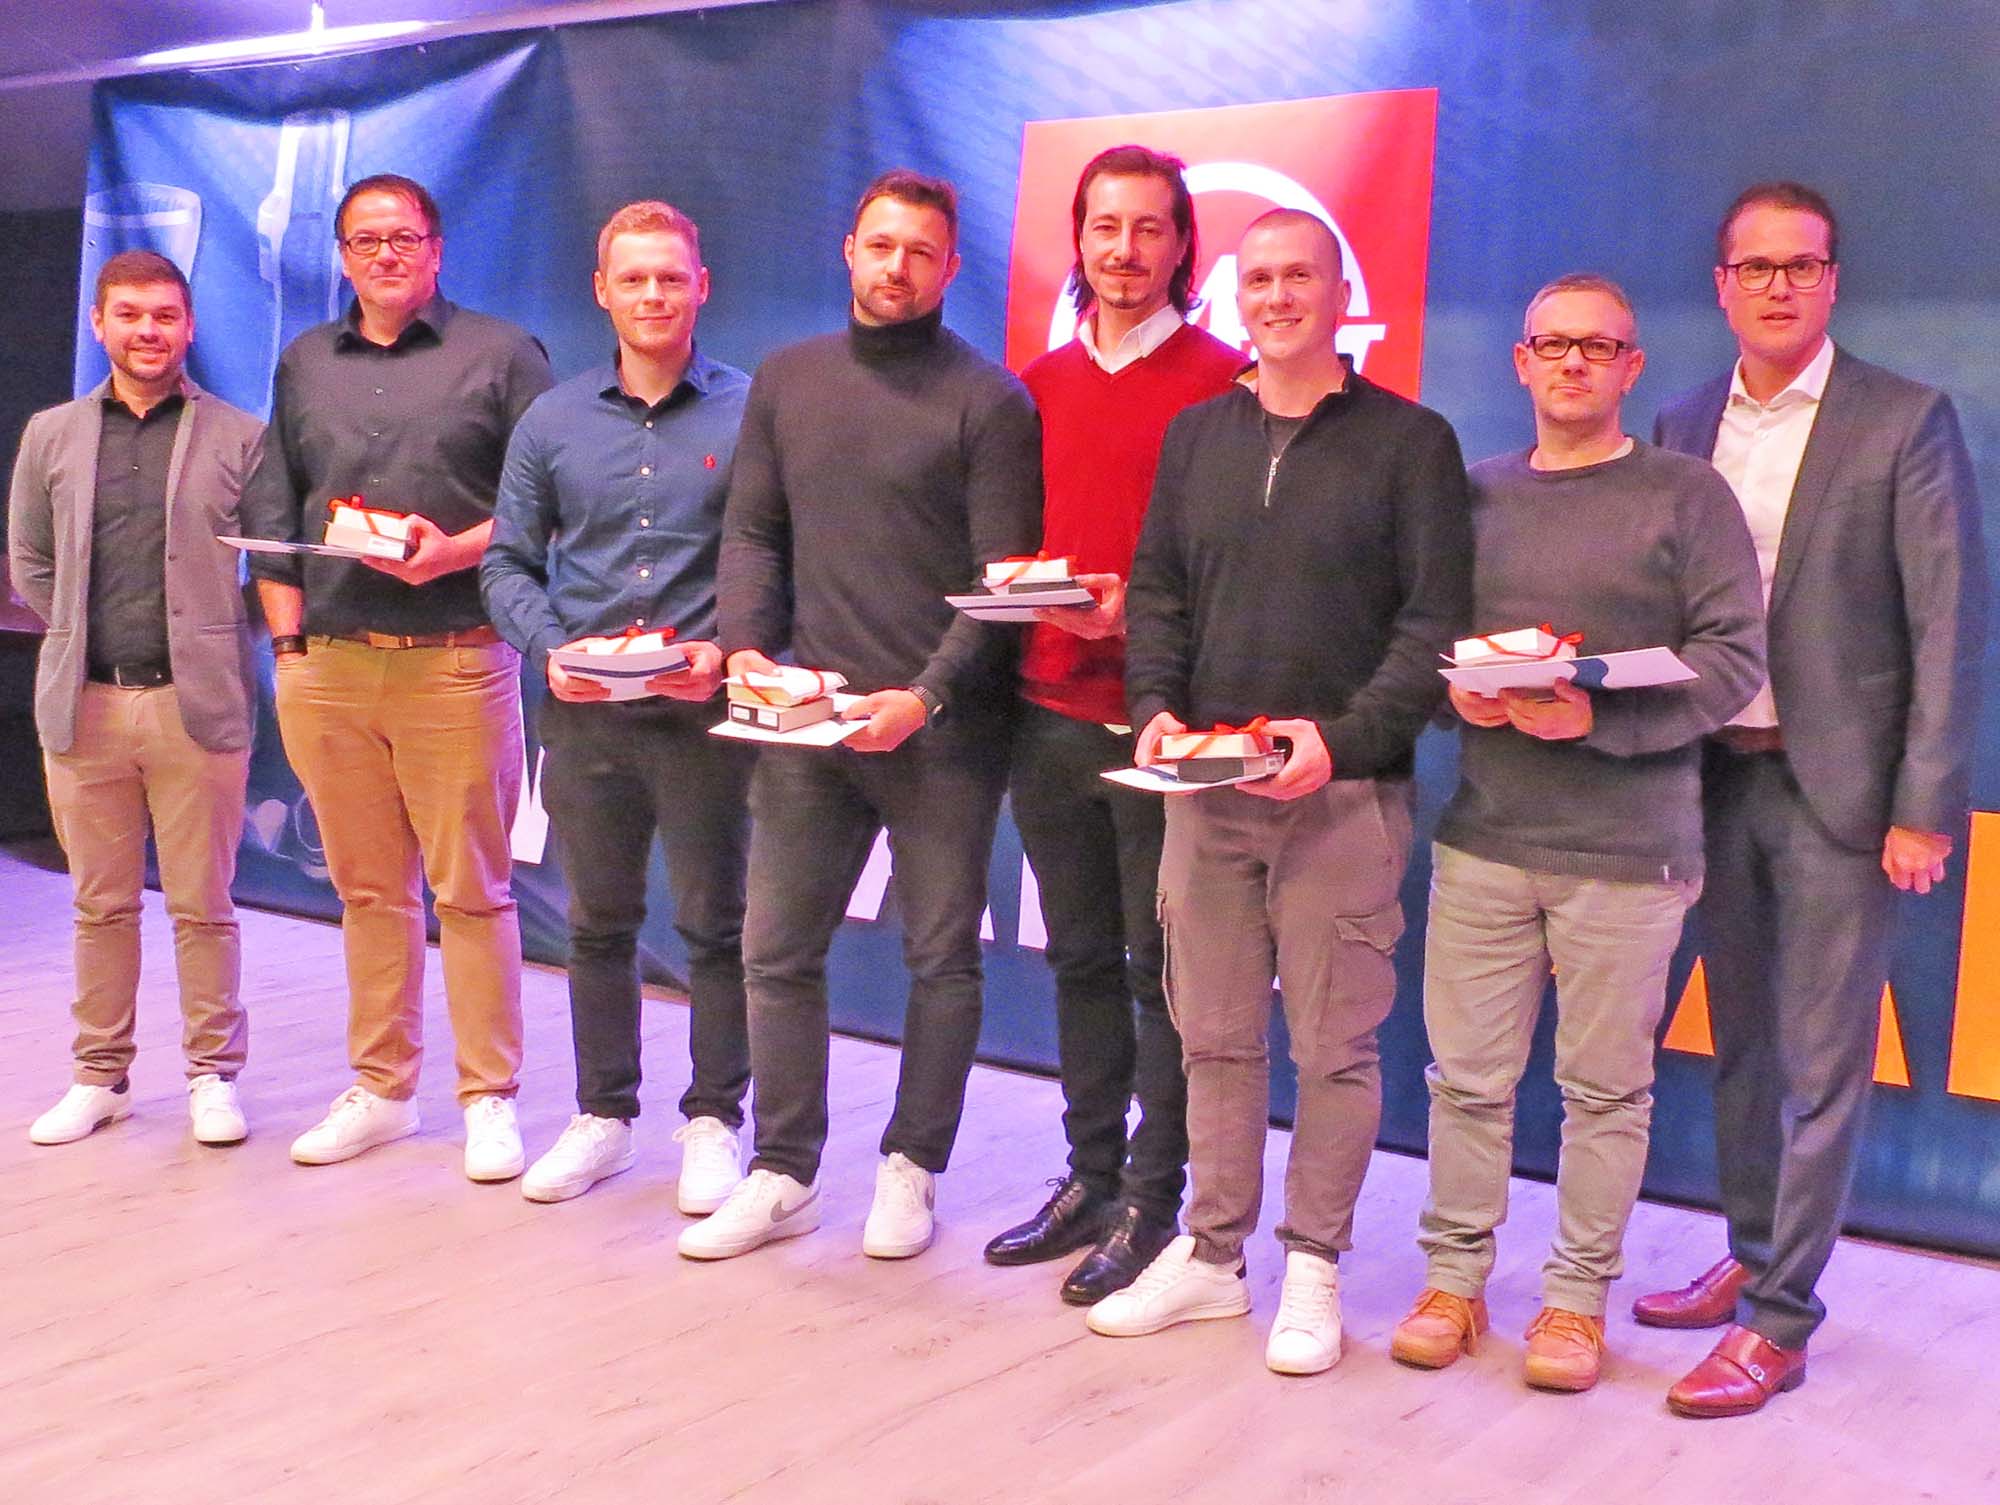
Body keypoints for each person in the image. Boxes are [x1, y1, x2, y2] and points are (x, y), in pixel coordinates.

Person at [1097, 209, 1473, 1374]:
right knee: (1210, 1036)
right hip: (1203, 793)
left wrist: (1343, 741)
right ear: (1234, 294)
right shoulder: (1195, 434)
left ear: (1340, 290)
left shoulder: (1410, 441)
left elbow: (1429, 627)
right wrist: (1155, 706)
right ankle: (1213, 1256)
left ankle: (1312, 1262)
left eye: (1297, 275)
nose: (1275, 296)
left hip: (1339, 799)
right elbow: (1156, 590)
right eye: (1255, 278)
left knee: (1331, 1048)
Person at [1637, 182, 1987, 1418]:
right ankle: (1749, 1253)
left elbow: (1947, 622)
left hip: (1838, 790)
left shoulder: (1903, 418)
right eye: (1755, 266)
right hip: (1710, 777)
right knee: (1738, 1046)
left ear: (1831, 280)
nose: (1777, 285)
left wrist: (1921, 804)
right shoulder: (1682, 422)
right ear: (1721, 285)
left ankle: (1780, 1318)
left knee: (1822, 1065)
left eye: (1801, 264)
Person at [1387, 275, 1764, 1392]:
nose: (1572, 363)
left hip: (1630, 852)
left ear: (1631, 367)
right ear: (1520, 361)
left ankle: (1573, 1302)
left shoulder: (1686, 495)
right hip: (1485, 838)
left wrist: (1597, 720)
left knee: (1603, 1093)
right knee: (1465, 1081)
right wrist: (1450, 693)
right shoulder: (1471, 496)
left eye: (1598, 347)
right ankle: (1453, 1282)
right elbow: (1419, 641)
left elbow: (1732, 660)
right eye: (1552, 344)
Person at [679, 168, 1041, 1262]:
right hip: (810, 725)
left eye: (920, 252)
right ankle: (783, 1169)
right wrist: (750, 649)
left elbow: (1003, 586)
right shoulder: (788, 381)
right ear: (849, 250)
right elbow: (753, 535)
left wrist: (924, 696)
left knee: (940, 957)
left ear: (950, 267)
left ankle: (911, 1165)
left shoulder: (990, 401)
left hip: (943, 732)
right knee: (776, 950)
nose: (897, 267)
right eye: (881, 245)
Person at [239, 173, 554, 1182]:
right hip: (328, 664)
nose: (385, 254)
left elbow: (550, 503)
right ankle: (382, 1089)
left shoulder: (501, 354)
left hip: (456, 659)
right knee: (370, 891)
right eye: (365, 240)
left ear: (436, 247)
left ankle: (488, 1096)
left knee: (472, 891)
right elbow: (273, 511)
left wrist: (453, 551)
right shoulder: (304, 362)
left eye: (403, 237)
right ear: (342, 256)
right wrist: (288, 650)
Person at [983, 145, 1244, 1303]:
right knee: (1079, 956)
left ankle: (1154, 1194)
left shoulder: (1226, 382)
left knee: (1159, 972)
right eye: (1104, 226)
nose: (1124, 249)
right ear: (1077, 241)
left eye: (1147, 227)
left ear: (1182, 244)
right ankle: (1088, 1176)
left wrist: (1139, 610)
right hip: (1045, 711)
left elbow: (1241, 565)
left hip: (1162, 729)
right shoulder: (1033, 384)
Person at [482, 200, 753, 1212]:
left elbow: (777, 558)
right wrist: (550, 650)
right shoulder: (551, 420)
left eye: (670, 277)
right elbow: (506, 563)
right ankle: (603, 1115)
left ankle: (715, 1119)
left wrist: (724, 651)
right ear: (602, 290)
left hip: (702, 718)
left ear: (701, 287)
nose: (653, 295)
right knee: (597, 925)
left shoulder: (752, 412)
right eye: (633, 278)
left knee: (716, 927)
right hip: (587, 717)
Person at [8, 250, 264, 1148]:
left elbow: (269, 567)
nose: (147, 331)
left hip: (196, 707)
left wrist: (214, 636)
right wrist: (75, 628)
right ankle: (100, 1076)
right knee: (100, 905)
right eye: (129, 315)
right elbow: (29, 558)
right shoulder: (51, 433)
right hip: (84, 705)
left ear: (189, 327)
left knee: (204, 905)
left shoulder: (240, 435)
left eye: (164, 315)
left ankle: (213, 1075)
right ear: (99, 323)